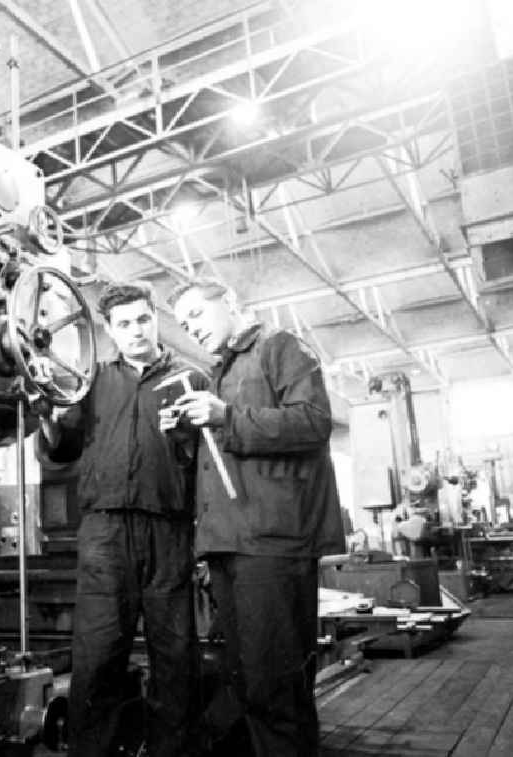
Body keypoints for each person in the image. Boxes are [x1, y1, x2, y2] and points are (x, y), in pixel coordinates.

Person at [167, 279, 346, 756]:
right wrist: (189, 432)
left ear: (229, 303)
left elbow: (313, 420)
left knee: (275, 681)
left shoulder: (279, 348)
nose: (191, 329)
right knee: (246, 678)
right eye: (184, 325)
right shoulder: (220, 372)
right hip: (230, 544)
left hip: (272, 541)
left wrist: (227, 415)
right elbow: (223, 458)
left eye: (197, 315)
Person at [37, 281, 207, 757]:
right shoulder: (92, 382)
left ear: (156, 319)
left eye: (143, 319)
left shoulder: (192, 380)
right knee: (98, 654)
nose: (136, 330)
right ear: (110, 331)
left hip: (168, 528)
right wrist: (48, 416)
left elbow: (209, 461)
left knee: (175, 655)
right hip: (105, 531)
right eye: (124, 323)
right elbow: (63, 447)